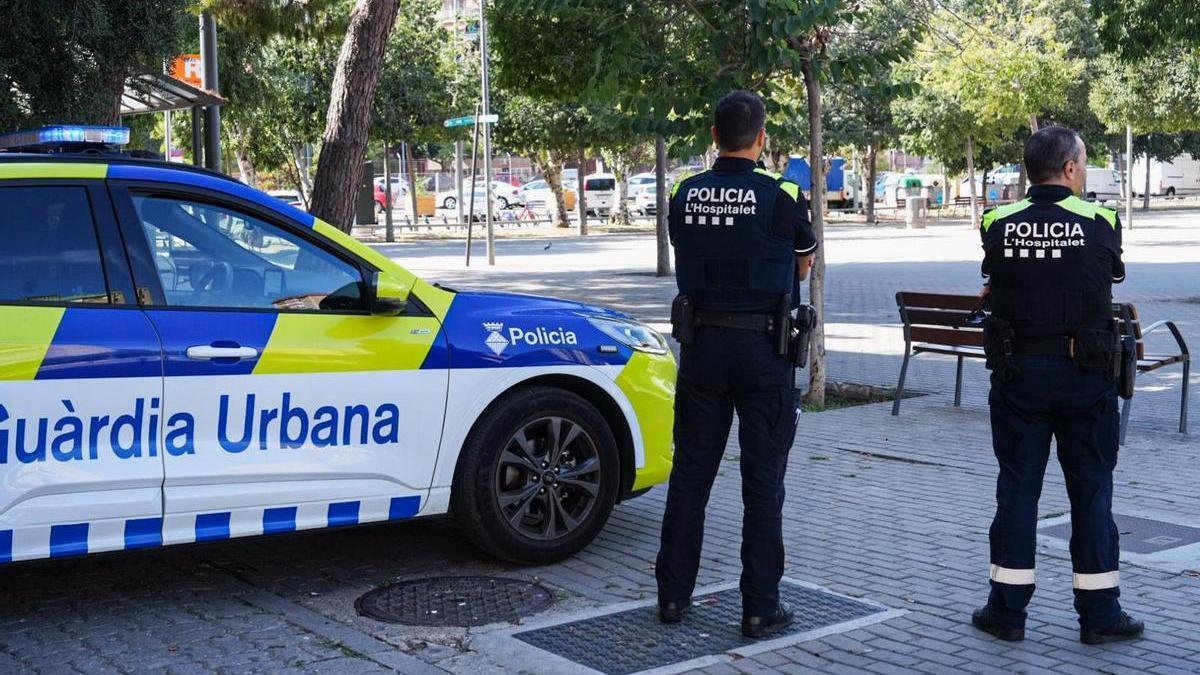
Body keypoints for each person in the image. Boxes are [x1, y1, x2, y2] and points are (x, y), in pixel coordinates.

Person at [972, 125, 1143, 645]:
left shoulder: (997, 221)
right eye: (1084, 163)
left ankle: (1007, 612)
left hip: (1018, 377)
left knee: (1017, 492)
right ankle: (1099, 617)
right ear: (1070, 169)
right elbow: (1108, 275)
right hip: (1085, 380)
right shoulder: (1102, 220)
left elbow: (995, 277)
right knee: (1091, 494)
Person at [656, 90, 817, 638]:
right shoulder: (784, 194)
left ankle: (673, 598)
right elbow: (801, 268)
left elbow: (687, 251)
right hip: (763, 354)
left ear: (713, 136)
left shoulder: (683, 193)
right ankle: (759, 606)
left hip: (701, 350)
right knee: (763, 482)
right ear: (762, 138)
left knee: (691, 477)